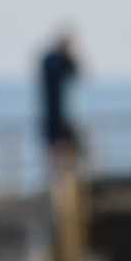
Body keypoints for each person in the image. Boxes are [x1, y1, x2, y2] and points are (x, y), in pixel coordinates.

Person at [38, 31, 82, 163]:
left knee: (69, 152)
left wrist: (69, 54)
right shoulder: (52, 60)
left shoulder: (56, 60)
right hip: (54, 116)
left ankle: (67, 179)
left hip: (59, 115)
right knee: (58, 154)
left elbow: (75, 72)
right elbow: (73, 70)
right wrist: (68, 53)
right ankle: (62, 180)